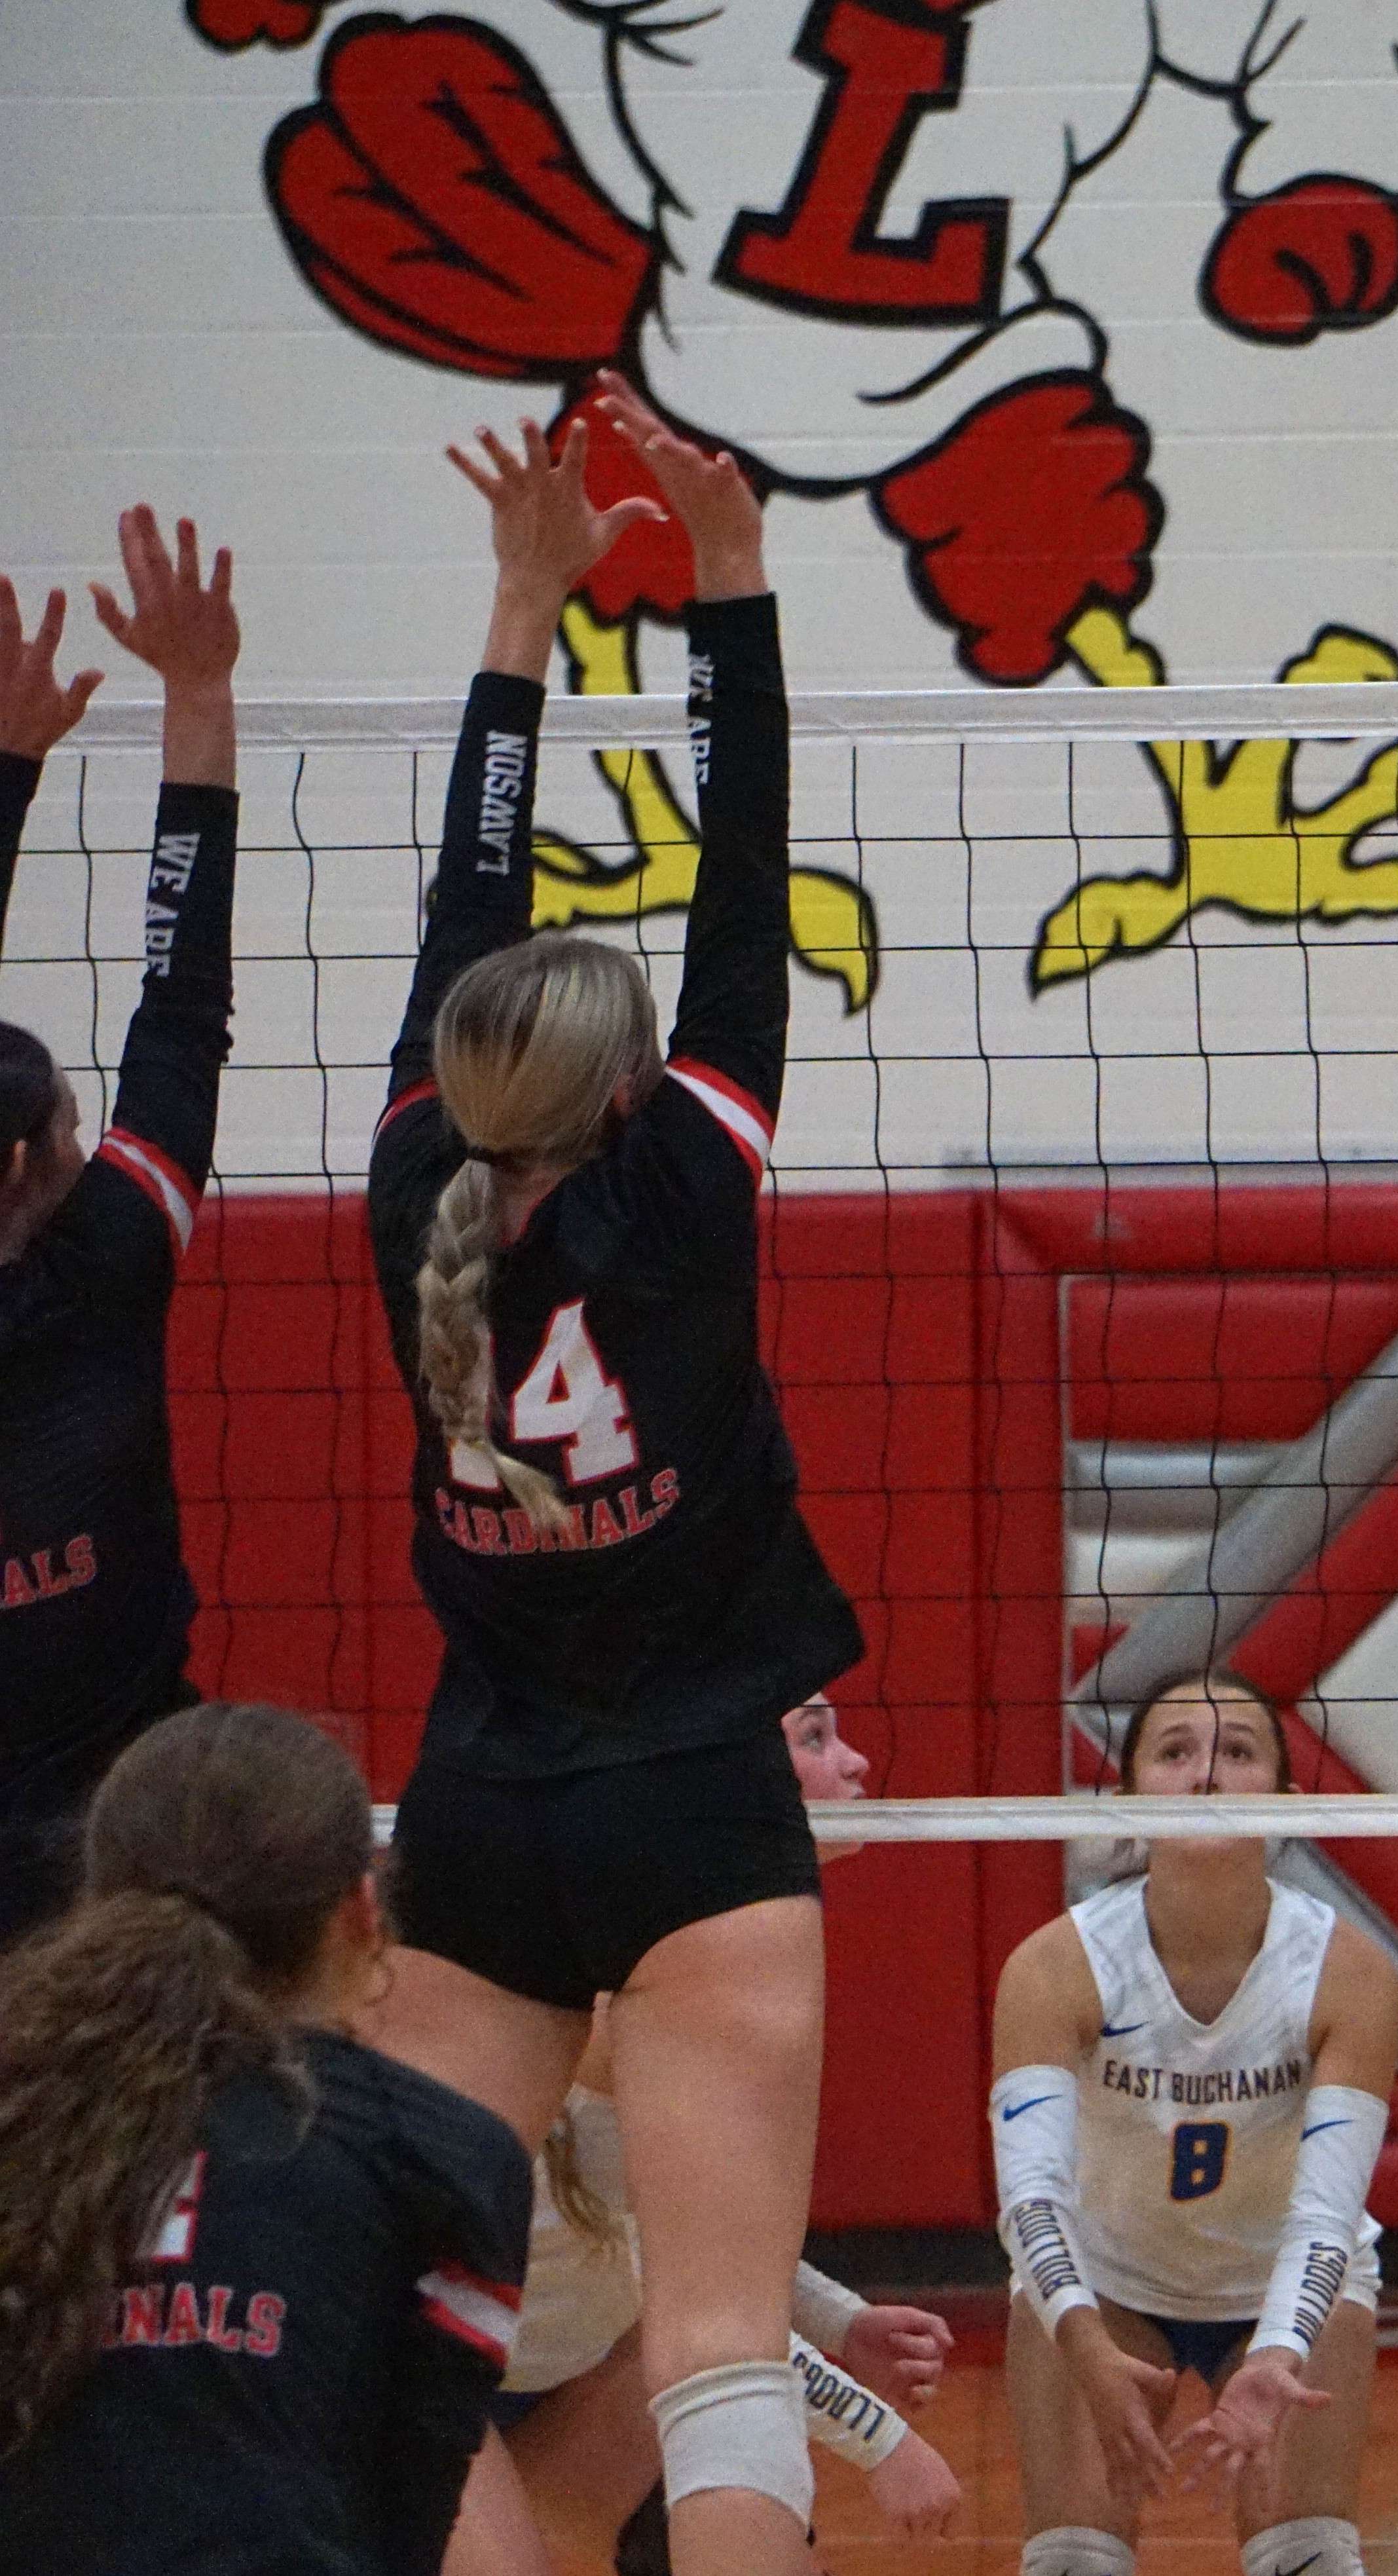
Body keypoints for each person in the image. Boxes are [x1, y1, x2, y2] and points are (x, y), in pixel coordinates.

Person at [357, 383, 864, 2576]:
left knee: (414, 2352)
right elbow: (745, 876)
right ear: (641, 1080)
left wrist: (520, 607)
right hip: (691, 1802)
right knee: (720, 2344)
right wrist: (729, 580)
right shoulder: (690, 1189)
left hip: (475, 1803)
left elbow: (468, 888)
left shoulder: (410, 1184)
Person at [0, 1701, 532, 2571]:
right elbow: (411, 2516)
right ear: (362, 1907)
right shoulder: (447, 2154)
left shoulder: (16, 2108)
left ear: (96, 1903)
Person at [443, 1702, 959, 2575]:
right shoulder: (623, 1992)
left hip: (575, 2382)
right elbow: (695, 2291)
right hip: (432, 2387)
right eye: (814, 1737)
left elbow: (706, 2246)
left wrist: (845, 2321)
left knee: (760, 2523)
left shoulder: (728, 1954)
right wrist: (882, 2439)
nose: (857, 1760)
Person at [990, 1671, 1398, 2576]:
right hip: (1105, 2284)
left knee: (1312, 2562)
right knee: (1072, 2566)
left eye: (1238, 1751)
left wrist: (1280, 2353)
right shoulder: (1055, 1967)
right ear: (1127, 1799)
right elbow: (1030, 2197)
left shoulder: (1349, 1973)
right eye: (1174, 1751)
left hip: (1285, 2284)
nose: (1206, 1773)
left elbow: (1327, 2217)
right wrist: (1082, 2343)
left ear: (1288, 1801)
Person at [0, 517, 244, 1946]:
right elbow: (182, 1004)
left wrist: (10, 770)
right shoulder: (110, 1258)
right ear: (34, 1157)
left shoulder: (104, 1258)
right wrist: (198, 698)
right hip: (129, 1854)